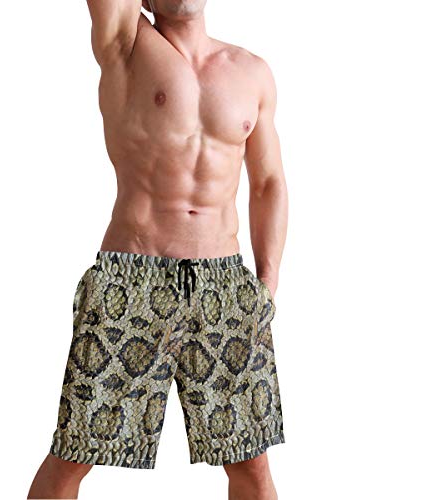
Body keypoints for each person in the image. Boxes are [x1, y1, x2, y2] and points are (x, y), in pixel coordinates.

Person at [28, 1, 288, 498]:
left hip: (225, 286)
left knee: (252, 462)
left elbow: (269, 182)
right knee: (73, 453)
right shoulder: (126, 44)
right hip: (131, 279)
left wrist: (267, 285)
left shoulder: (252, 72)